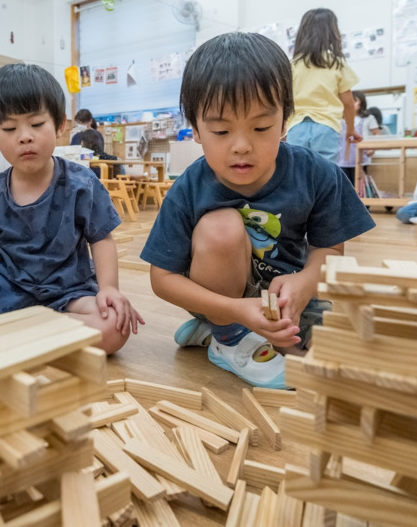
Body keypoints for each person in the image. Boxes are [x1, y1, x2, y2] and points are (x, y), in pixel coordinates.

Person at [140, 33, 375, 388]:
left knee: (347, 353)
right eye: (220, 130)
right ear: (196, 130)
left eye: (261, 127)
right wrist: (234, 313)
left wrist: (305, 282)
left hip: (286, 299)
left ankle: (215, 329)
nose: (241, 146)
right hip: (220, 296)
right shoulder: (190, 186)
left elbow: (329, 249)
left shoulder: (316, 173)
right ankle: (227, 337)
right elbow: (163, 279)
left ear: (284, 123)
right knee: (221, 227)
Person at [0, 64, 144, 354]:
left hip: (68, 292)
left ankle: (12, 331)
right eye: (9, 128)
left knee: (113, 328)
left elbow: (101, 239)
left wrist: (109, 288)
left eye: (36, 124)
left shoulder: (81, 183)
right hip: (2, 286)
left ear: (59, 125)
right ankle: (35, 333)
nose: (25, 136)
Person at [286, 8, 361, 163]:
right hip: (327, 126)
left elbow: (284, 101)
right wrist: (351, 129)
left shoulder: (292, 65)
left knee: (298, 171)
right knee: (325, 173)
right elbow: (348, 103)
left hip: (296, 126)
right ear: (332, 33)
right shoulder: (336, 64)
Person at [336, 90, 381, 187]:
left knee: (360, 185)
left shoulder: (368, 118)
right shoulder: (339, 118)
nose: (351, 104)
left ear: (361, 103)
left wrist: (373, 149)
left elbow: (377, 134)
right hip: (341, 158)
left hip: (361, 158)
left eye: (354, 101)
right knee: (343, 185)